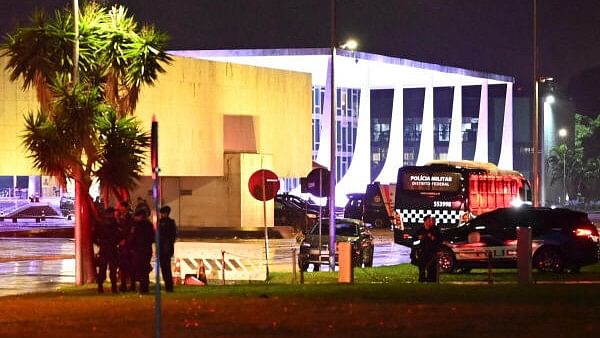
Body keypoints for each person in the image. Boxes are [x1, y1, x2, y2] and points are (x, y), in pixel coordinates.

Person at [93, 207, 120, 293]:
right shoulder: (114, 222)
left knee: (102, 269)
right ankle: (114, 288)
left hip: (104, 248)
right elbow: (118, 235)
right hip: (112, 248)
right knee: (113, 269)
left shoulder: (100, 222)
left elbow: (94, 236)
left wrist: (99, 243)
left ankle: (100, 287)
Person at [130, 209, 155, 293]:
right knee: (144, 268)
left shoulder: (137, 226)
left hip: (139, 249)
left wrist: (132, 247)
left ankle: (143, 287)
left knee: (140, 268)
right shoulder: (149, 225)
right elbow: (152, 238)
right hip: (146, 249)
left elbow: (133, 238)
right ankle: (144, 287)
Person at [414, 215, 442, 283]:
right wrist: (418, 238)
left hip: (432, 251)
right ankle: (422, 279)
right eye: (429, 221)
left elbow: (439, 239)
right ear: (425, 222)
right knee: (422, 266)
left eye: (431, 221)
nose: (431, 222)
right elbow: (414, 240)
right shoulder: (420, 230)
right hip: (422, 251)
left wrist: (432, 237)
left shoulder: (435, 229)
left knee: (432, 267)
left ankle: (431, 280)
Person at [115, 200, 135, 292]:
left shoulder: (130, 219)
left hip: (129, 247)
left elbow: (131, 233)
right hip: (121, 247)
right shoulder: (119, 219)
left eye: (123, 208)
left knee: (130, 266)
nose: (121, 210)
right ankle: (123, 285)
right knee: (122, 267)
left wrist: (125, 241)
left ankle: (132, 285)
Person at [158, 206, 177, 292]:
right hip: (162, 248)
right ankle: (167, 286)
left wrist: (167, 244)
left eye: (163, 213)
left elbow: (172, 236)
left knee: (166, 267)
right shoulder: (160, 222)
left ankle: (169, 286)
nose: (162, 215)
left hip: (166, 248)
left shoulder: (170, 222)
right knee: (164, 267)